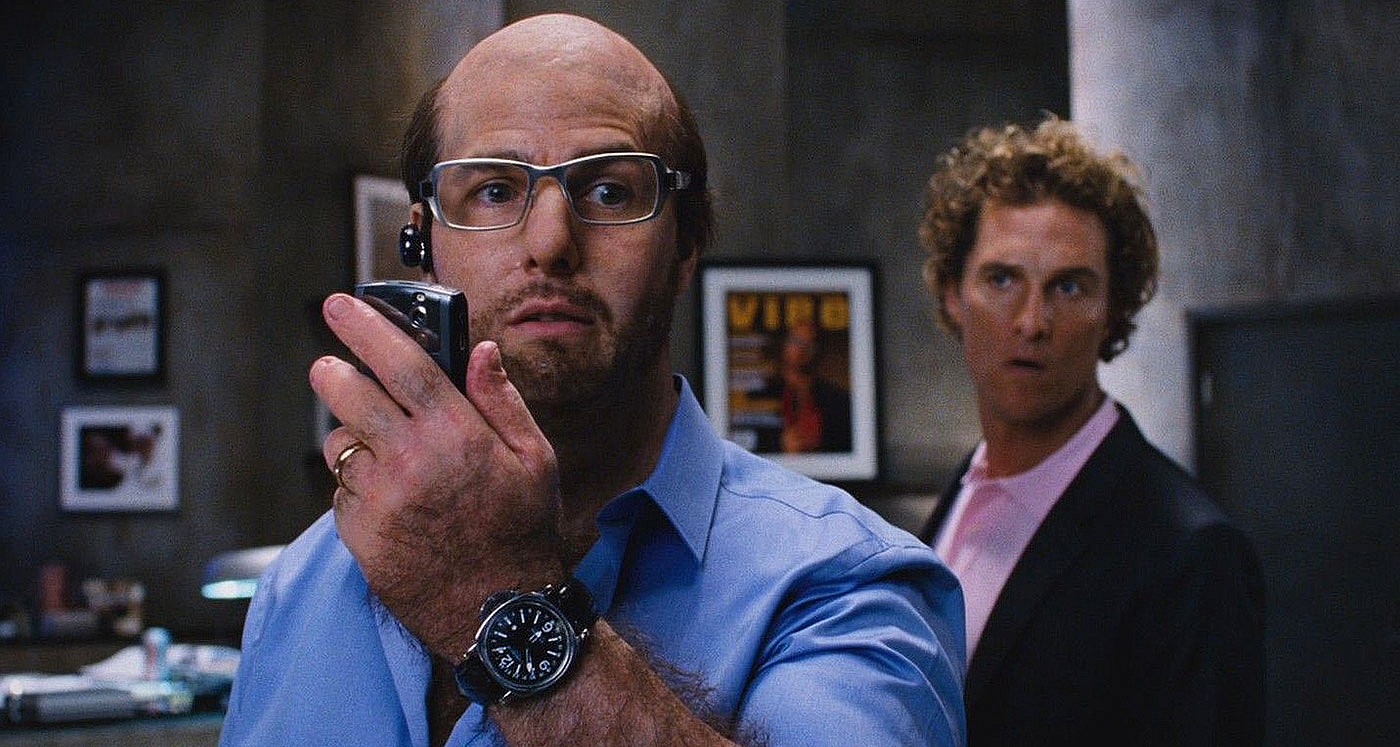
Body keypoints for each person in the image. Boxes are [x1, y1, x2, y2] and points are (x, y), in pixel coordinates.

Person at [219, 14, 965, 747]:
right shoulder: (303, 582)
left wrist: (490, 590)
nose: (550, 243)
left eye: (610, 192)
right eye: (495, 191)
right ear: (425, 242)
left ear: (685, 245)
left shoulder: (851, 589)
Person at [916, 116, 1265, 745]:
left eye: (1069, 286)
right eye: (1002, 279)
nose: (1032, 322)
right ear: (952, 295)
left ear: (1113, 312)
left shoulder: (1192, 556)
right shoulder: (967, 491)